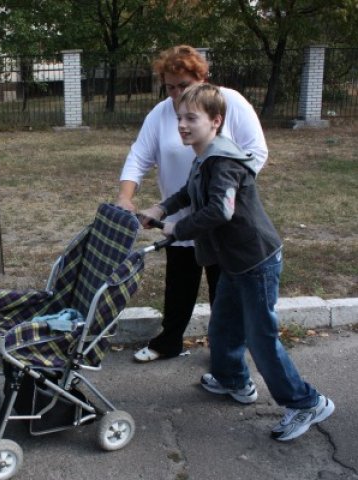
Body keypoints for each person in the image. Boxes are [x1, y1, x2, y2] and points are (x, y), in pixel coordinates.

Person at [139, 83, 334, 442]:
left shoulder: (223, 159)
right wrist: (161, 207)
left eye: (191, 118)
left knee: (261, 339)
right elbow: (190, 190)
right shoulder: (203, 154)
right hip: (234, 260)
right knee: (224, 326)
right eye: (179, 117)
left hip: (255, 261)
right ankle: (231, 379)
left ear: (216, 121)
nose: (181, 125)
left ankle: (306, 402)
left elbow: (219, 210)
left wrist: (177, 226)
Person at [117, 45, 268, 363]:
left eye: (182, 86)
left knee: (222, 288)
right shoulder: (160, 113)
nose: (175, 94)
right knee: (179, 283)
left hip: (220, 218)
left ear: (202, 79)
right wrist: (127, 197)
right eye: (169, 86)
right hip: (180, 218)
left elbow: (256, 151)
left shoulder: (230, 103)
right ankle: (169, 341)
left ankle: (226, 353)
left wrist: (227, 190)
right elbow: (140, 156)